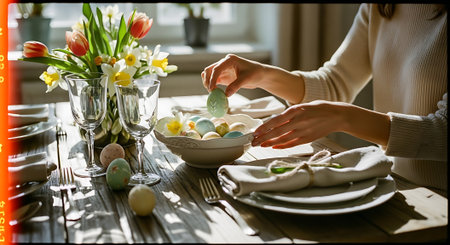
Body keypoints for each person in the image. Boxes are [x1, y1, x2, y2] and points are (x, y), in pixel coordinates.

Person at [201, 4, 447, 192]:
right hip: (389, 183)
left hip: (438, 201)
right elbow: (335, 82)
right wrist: (264, 75)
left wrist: (344, 117)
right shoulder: (379, 7)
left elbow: (443, 131)